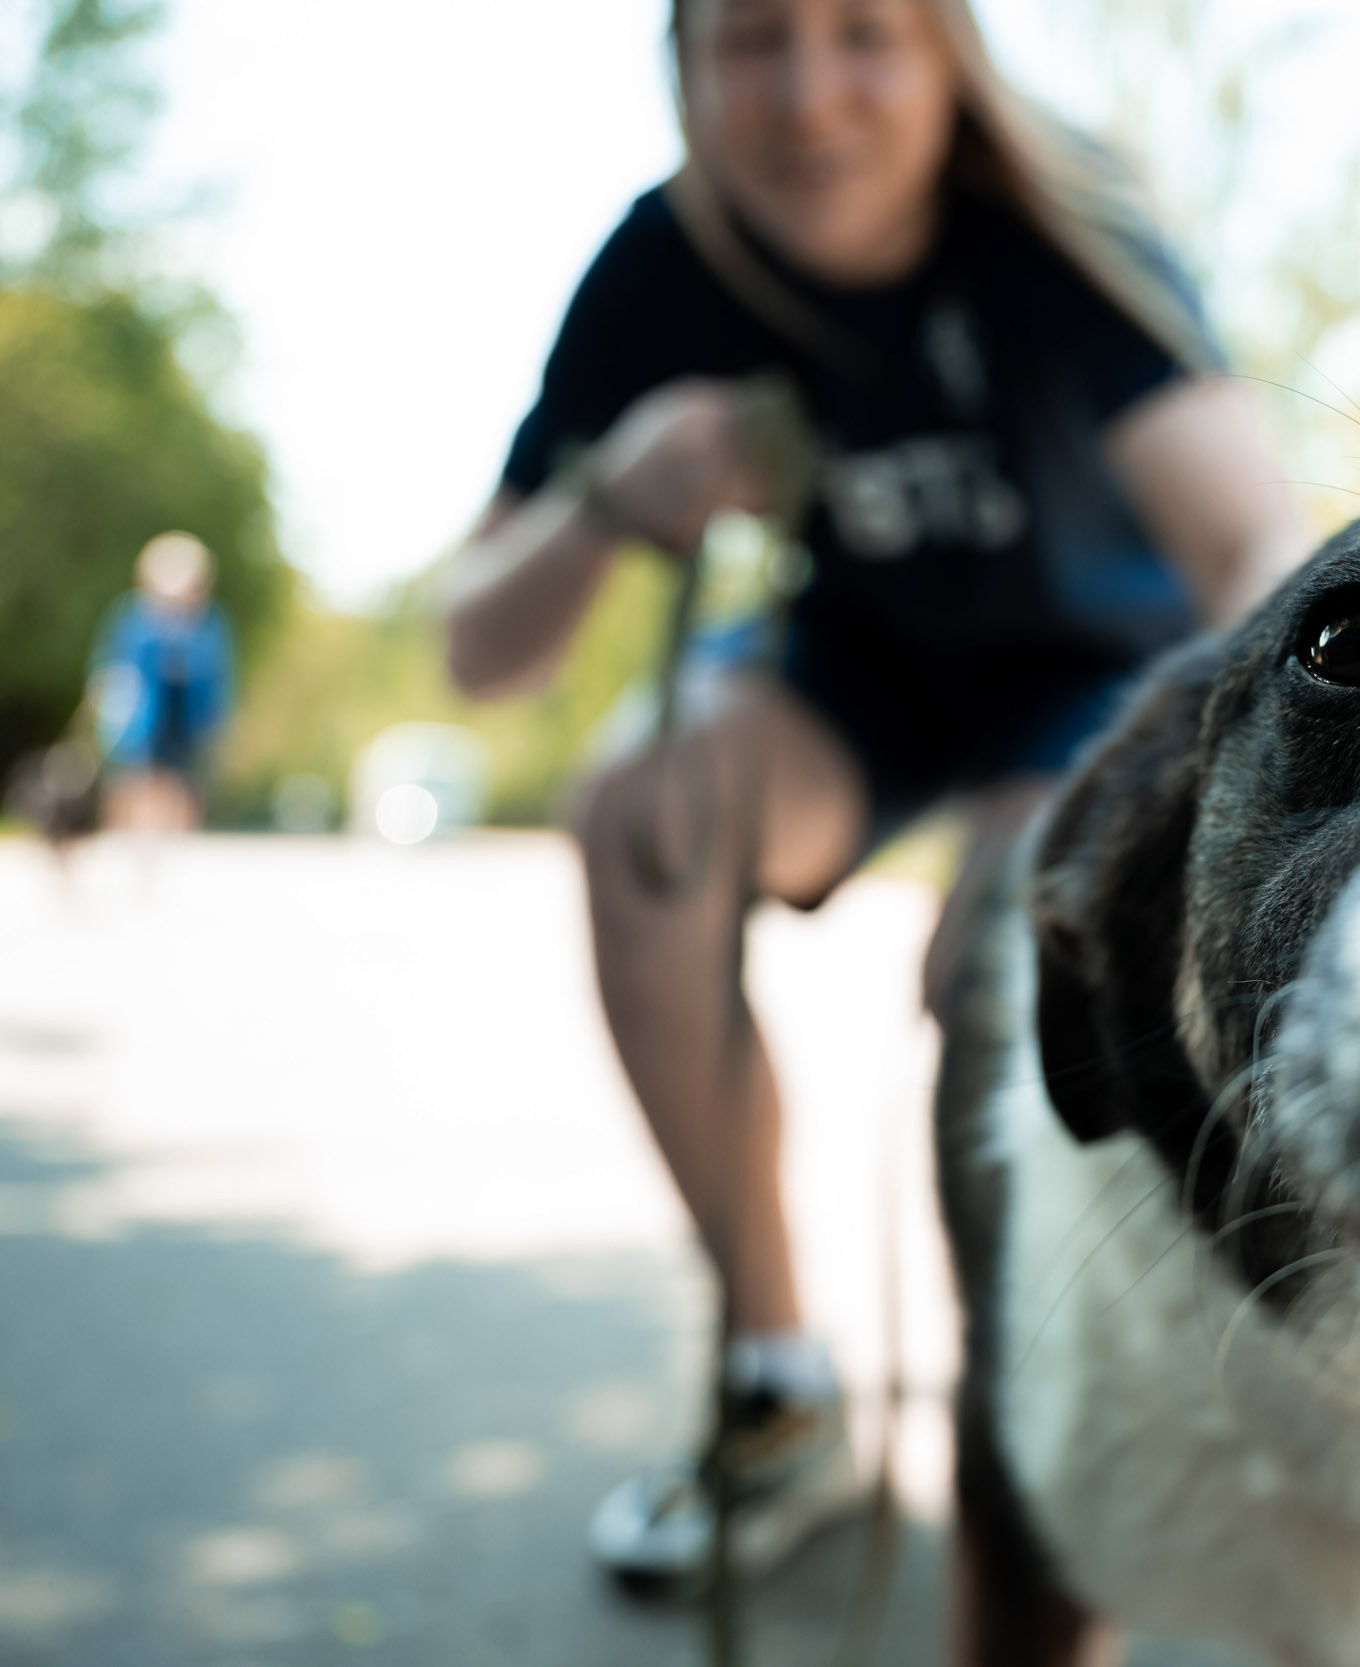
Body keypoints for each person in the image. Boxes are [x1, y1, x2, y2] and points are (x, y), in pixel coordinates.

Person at [439, 0, 1308, 1585]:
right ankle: (782, 1391)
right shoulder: (669, 260)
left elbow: (1254, 552)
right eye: (755, 39)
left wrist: (1172, 814)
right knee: (642, 810)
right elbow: (479, 645)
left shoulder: (1056, 214)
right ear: (688, 71)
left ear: (948, 58)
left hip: (1096, 675)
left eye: (866, 34)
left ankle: (1048, 1435)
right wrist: (603, 496)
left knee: (998, 960)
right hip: (862, 675)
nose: (809, 93)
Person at [90, 532, 234, 834]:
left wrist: (218, 722)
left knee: (181, 782)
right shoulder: (134, 619)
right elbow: (112, 666)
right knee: (132, 779)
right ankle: (127, 840)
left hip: (186, 718)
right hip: (139, 719)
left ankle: (169, 845)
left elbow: (218, 677)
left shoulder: (208, 625)